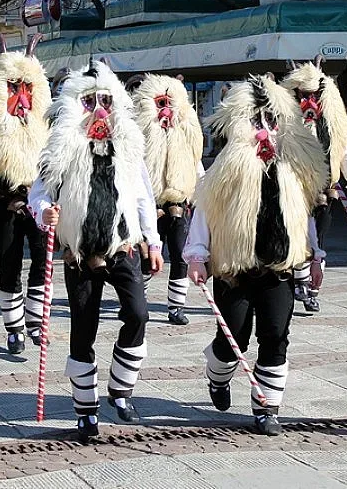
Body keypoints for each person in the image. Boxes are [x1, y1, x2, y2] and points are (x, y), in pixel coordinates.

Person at [185, 75, 328, 436]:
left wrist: (314, 255)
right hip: (235, 267)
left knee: (276, 334)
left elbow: (303, 214)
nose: (264, 129)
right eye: (255, 121)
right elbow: (205, 211)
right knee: (233, 336)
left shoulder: (294, 168)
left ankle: (267, 408)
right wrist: (197, 255)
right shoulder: (226, 166)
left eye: (270, 121)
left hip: (279, 265)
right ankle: (218, 376)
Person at [28, 60, 164, 441]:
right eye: (90, 102)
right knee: (82, 331)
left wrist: (152, 241)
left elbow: (141, 196)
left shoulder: (128, 147)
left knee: (138, 314)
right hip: (79, 252)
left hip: (122, 246)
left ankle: (121, 390)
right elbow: (37, 195)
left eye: (105, 100)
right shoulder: (60, 149)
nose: (99, 110)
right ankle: (86, 411)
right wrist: (45, 212)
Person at [0, 35, 52, 354]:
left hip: (38, 201)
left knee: (41, 261)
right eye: (13, 87)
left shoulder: (44, 125)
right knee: (9, 264)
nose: (20, 96)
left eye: (26, 88)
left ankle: (35, 321)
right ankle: (14, 328)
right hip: (4, 200)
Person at [280, 59, 347, 312]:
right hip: (293, 189)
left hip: (324, 190)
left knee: (318, 240)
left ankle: (312, 289)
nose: (309, 102)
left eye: (314, 95)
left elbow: (344, 149)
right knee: (296, 235)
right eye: (304, 95)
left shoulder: (332, 121)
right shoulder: (287, 122)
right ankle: (299, 283)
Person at [132, 73, 205, 325]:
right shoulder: (139, 129)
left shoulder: (186, 131)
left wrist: (200, 193)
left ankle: (176, 307)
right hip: (147, 204)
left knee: (179, 254)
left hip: (177, 201)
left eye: (168, 103)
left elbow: (194, 163)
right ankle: (138, 301)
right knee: (145, 257)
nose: (165, 111)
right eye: (159, 103)